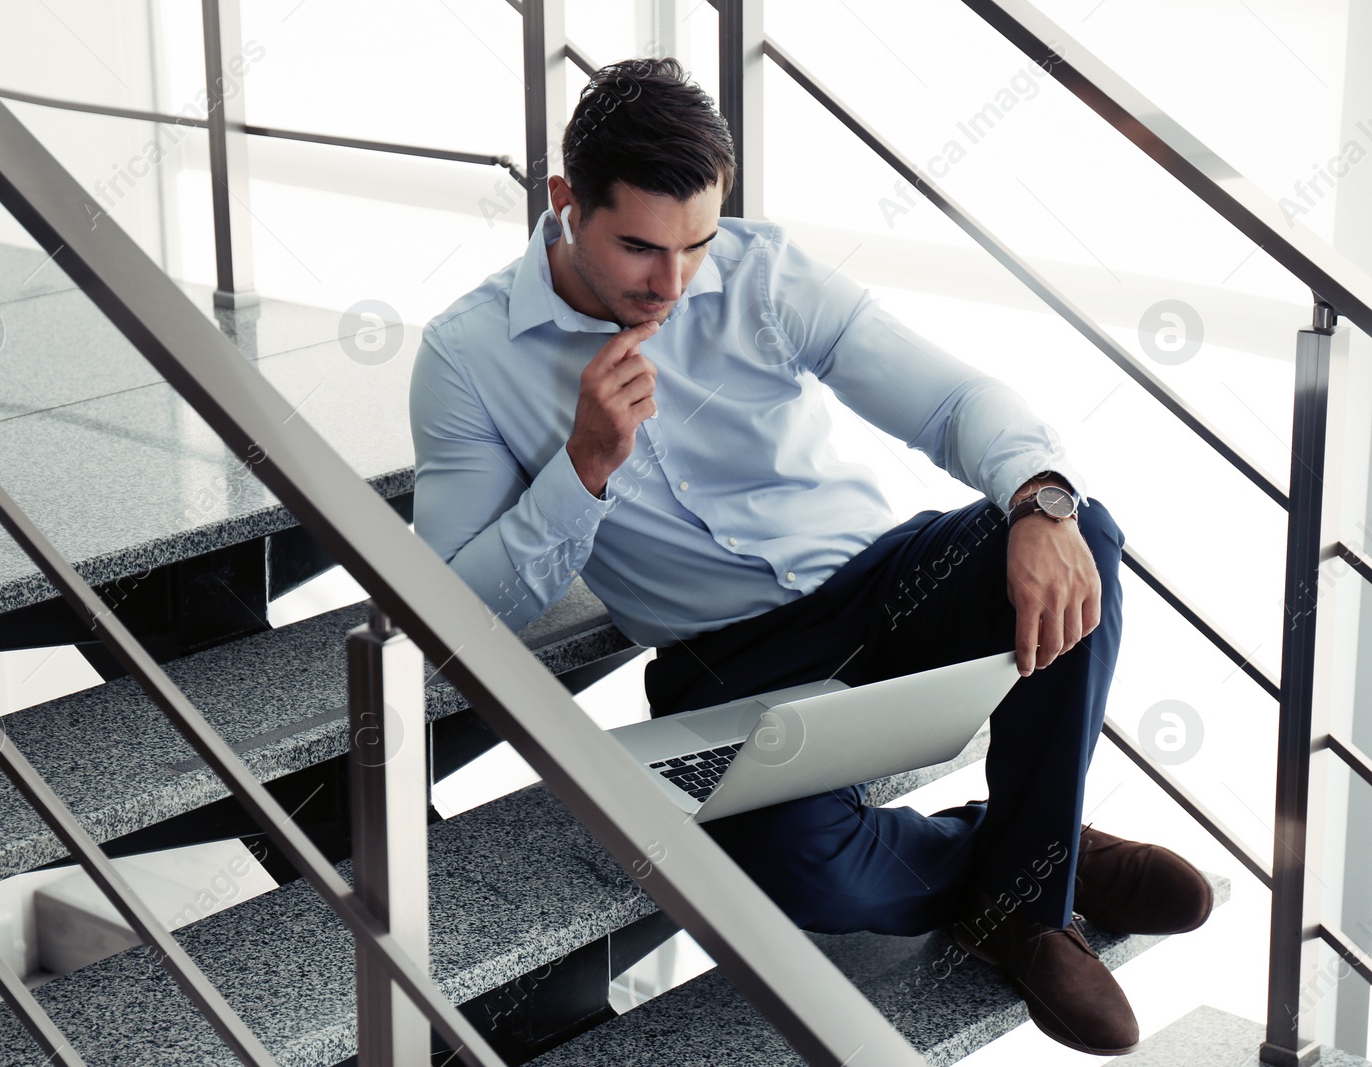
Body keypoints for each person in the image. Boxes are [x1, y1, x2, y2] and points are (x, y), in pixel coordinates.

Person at [409, 56, 1211, 1057]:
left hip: (883, 586)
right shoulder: (467, 358)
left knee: (1078, 530)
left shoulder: (760, 275)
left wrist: (1039, 499)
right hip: (723, 661)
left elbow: (950, 400)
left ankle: (1026, 909)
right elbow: (444, 612)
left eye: (696, 243)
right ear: (566, 202)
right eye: (640, 248)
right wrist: (580, 473)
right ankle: (1037, 857)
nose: (672, 283)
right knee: (804, 873)